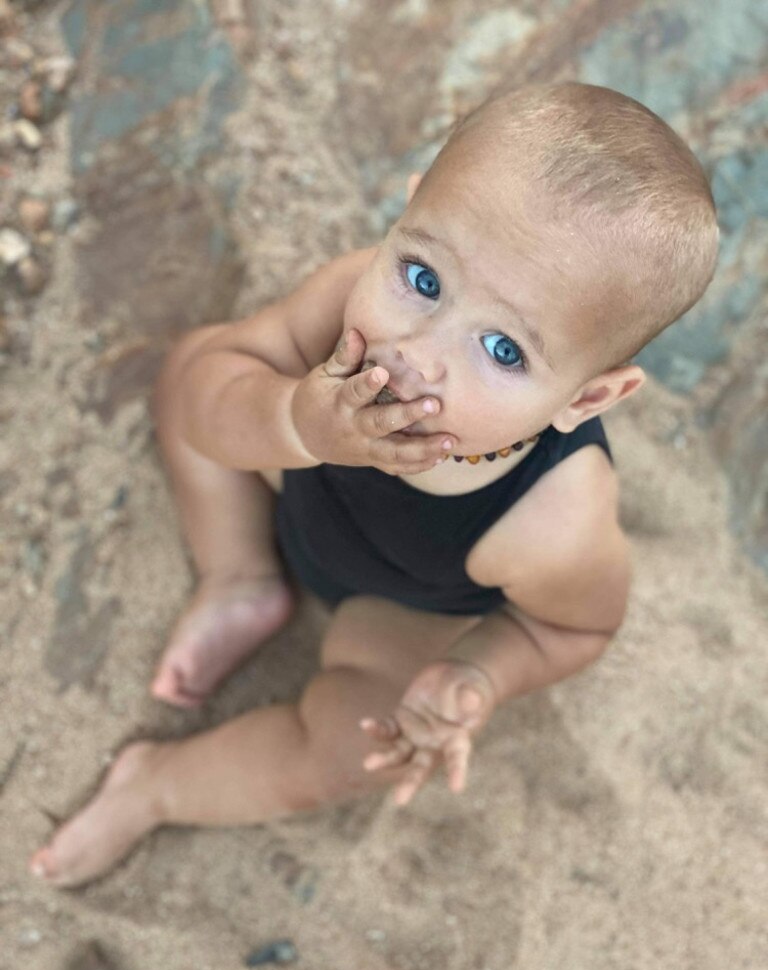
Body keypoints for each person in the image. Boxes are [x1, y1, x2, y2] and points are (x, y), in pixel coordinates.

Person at [29, 82, 718, 888]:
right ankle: (239, 575)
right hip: (295, 490)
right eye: (423, 278)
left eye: (503, 351)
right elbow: (208, 394)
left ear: (586, 398)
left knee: (363, 746)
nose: (417, 354)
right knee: (194, 374)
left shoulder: (553, 519)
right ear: (406, 212)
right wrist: (293, 420)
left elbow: (575, 630)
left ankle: (154, 787)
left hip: (398, 603)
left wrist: (478, 675)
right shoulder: (343, 308)